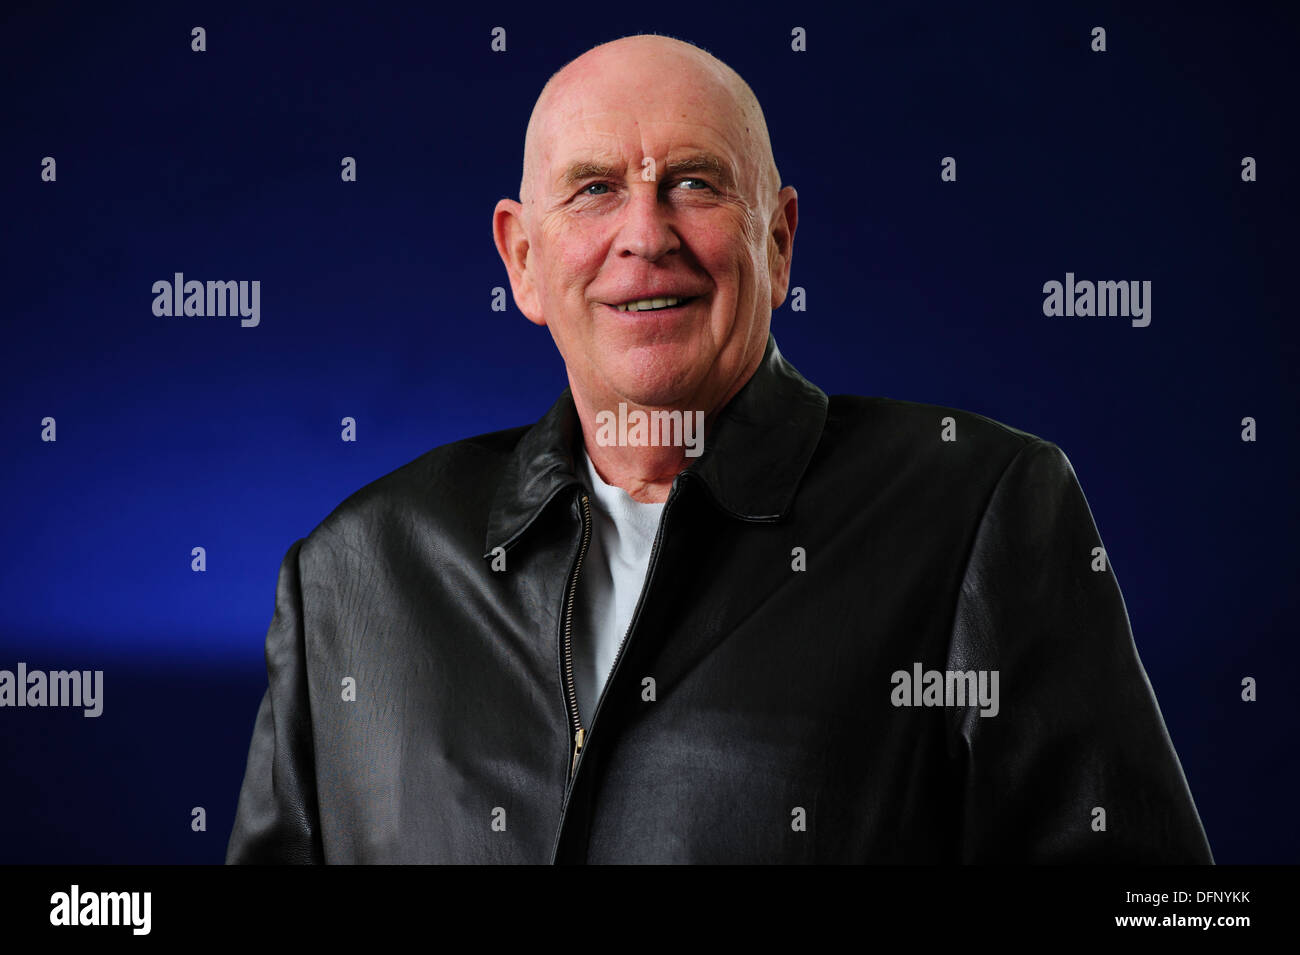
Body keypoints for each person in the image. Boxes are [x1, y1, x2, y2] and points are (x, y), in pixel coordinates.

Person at [226, 33, 1213, 864]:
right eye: (594, 190)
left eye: (694, 183)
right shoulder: (352, 573)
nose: (643, 233)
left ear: (777, 242)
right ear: (520, 259)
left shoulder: (980, 510)